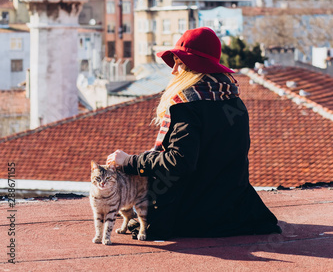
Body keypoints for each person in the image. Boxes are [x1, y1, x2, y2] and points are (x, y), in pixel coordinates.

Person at [107, 27, 281, 239]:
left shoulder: (187, 106)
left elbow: (179, 162)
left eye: (178, 63)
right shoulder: (235, 102)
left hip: (194, 215)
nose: (173, 71)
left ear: (192, 68)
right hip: (235, 210)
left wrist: (131, 161)